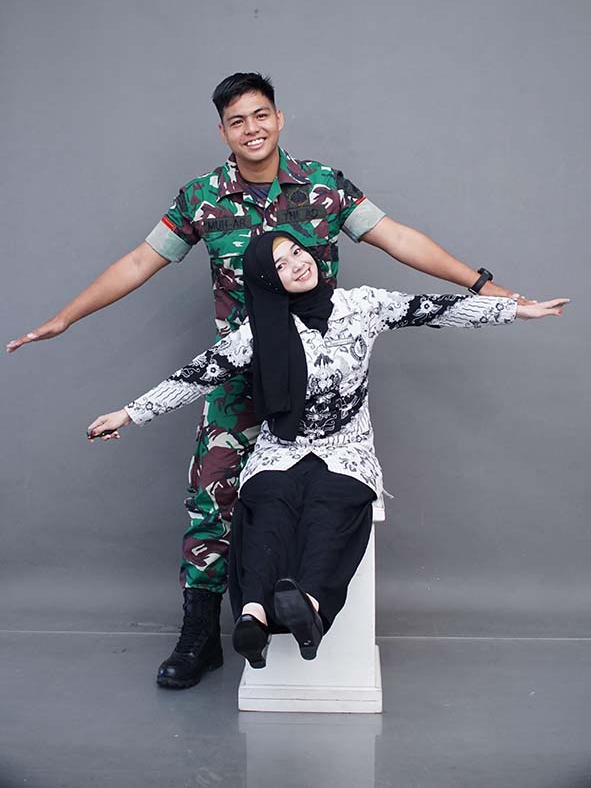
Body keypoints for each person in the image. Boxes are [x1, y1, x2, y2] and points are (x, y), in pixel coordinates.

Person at [7, 71, 531, 690]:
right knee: (212, 499)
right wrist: (66, 317)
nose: (252, 129)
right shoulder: (202, 198)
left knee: (315, 497)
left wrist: (482, 286)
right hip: (239, 372)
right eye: (237, 121)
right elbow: (140, 261)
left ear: (279, 118)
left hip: (315, 377)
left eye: (261, 115)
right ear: (223, 132)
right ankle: (201, 635)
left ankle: (299, 604)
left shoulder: (324, 186)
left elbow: (397, 238)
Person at [87, 232, 568, 667]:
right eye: (280, 265)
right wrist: (128, 414)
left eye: (297, 252)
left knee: (331, 502)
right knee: (267, 501)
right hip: (281, 447)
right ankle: (253, 615)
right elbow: (197, 375)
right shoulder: (258, 331)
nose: (296, 264)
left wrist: (516, 309)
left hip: (347, 446)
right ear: (266, 280)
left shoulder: (363, 305)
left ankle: (309, 608)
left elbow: (435, 309)